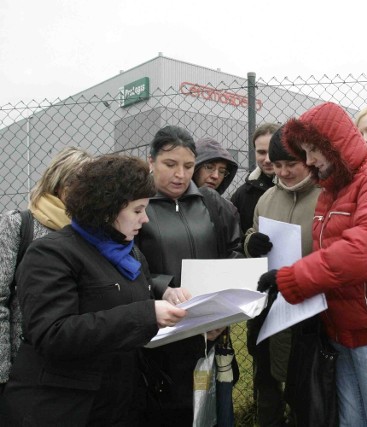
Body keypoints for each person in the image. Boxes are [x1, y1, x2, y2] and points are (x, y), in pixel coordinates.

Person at [256, 102, 367, 426]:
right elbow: (329, 253)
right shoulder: (332, 189)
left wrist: (295, 278)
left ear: (336, 143)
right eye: (305, 151)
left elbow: (366, 250)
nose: (310, 159)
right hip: (342, 329)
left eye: (314, 149)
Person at [0, 155, 186, 425]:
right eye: (137, 210)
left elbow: (131, 311)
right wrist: (146, 314)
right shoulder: (50, 253)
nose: (145, 219)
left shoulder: (130, 254)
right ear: (107, 209)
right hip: (63, 405)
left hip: (118, 400)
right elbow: (53, 334)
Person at [136, 125, 236, 426]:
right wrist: (163, 287)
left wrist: (221, 315)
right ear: (150, 161)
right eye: (170, 164)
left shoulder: (211, 203)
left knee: (208, 412)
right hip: (157, 337)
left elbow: (232, 254)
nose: (180, 174)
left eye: (188, 166)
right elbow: (124, 264)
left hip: (209, 333)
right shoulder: (136, 205)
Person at [244, 128, 321, 426]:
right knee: (267, 379)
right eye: (277, 165)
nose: (284, 172)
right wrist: (252, 242)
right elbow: (251, 232)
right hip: (269, 306)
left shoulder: (326, 196)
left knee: (304, 388)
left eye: (291, 164)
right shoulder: (266, 198)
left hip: (310, 308)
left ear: (308, 160)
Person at [0, 146, 92, 394]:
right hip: (25, 367)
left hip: (73, 368)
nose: (82, 193)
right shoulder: (19, 224)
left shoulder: (90, 232)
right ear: (58, 183)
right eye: (76, 183)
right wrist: (4, 372)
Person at [193, 136, 244, 258]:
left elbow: (236, 251)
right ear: (195, 167)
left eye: (222, 171)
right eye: (209, 167)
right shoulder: (176, 203)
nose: (216, 176)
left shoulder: (228, 209)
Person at [231, 123, 278, 233]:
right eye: (261, 152)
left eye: (272, 151)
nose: (267, 159)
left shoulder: (299, 190)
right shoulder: (241, 195)